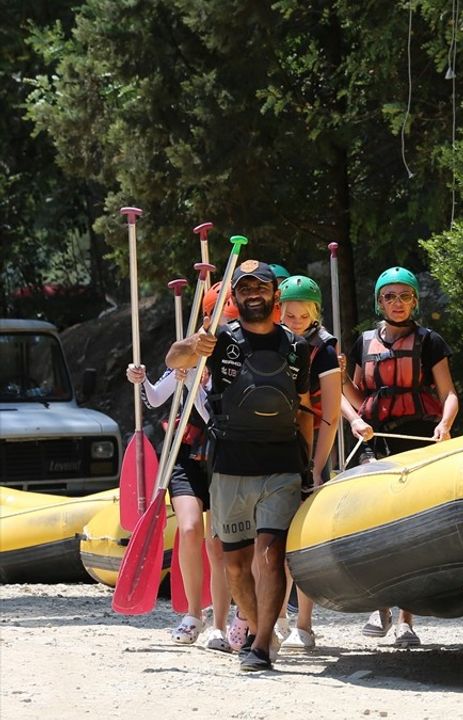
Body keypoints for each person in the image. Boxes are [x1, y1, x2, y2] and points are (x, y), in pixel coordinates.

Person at [166, 259, 313, 671]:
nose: (253, 294)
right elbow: (173, 360)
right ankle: (250, 625)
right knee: (234, 565)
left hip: (281, 464)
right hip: (230, 464)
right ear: (235, 297)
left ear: (274, 294)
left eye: (261, 287)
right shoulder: (219, 340)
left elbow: (301, 407)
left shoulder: (296, 346)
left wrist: (308, 461)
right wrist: (193, 344)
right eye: (245, 288)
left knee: (269, 554)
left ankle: (263, 643)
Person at [341, 266, 458, 648]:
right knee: (373, 518)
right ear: (379, 301)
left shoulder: (430, 341)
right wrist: (352, 410)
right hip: (378, 439)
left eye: (404, 296)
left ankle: (405, 617)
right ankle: (380, 605)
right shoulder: (363, 343)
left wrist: (444, 424)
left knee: (410, 524)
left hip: (419, 435)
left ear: (414, 301)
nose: (397, 303)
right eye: (389, 296)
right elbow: (358, 397)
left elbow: (449, 393)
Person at [124, 362, 233, 651]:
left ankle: (220, 624)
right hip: (186, 458)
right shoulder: (187, 359)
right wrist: (141, 378)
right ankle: (194, 613)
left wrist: (204, 384)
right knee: (188, 529)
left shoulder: (232, 359)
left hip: (223, 457)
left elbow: (216, 414)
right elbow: (156, 397)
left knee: (217, 544)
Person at [275, 275, 342, 651]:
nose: (295, 319)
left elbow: (330, 415)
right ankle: (277, 616)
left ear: (314, 312)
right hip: (274, 445)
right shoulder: (271, 340)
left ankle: (303, 622)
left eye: (302, 314)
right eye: (288, 313)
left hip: (311, 447)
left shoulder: (326, 351)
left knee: (301, 540)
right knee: (274, 537)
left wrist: (316, 467)